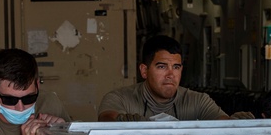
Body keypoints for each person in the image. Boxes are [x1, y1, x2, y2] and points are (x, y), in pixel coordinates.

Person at [98, 35, 229, 121]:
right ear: (144, 71)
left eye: (176, 67)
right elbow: (107, 119)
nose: (171, 74)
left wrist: (239, 122)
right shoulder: (120, 98)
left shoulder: (198, 101)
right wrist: (122, 122)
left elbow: (226, 125)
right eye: (162, 67)